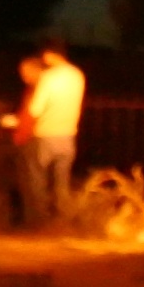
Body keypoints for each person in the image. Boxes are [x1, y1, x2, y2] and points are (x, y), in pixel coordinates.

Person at [18, 39, 86, 230]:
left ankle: (39, 223)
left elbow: (36, 109)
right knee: (62, 183)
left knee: (37, 180)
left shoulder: (49, 77)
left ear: (49, 55)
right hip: (68, 135)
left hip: (45, 134)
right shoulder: (77, 75)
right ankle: (65, 222)